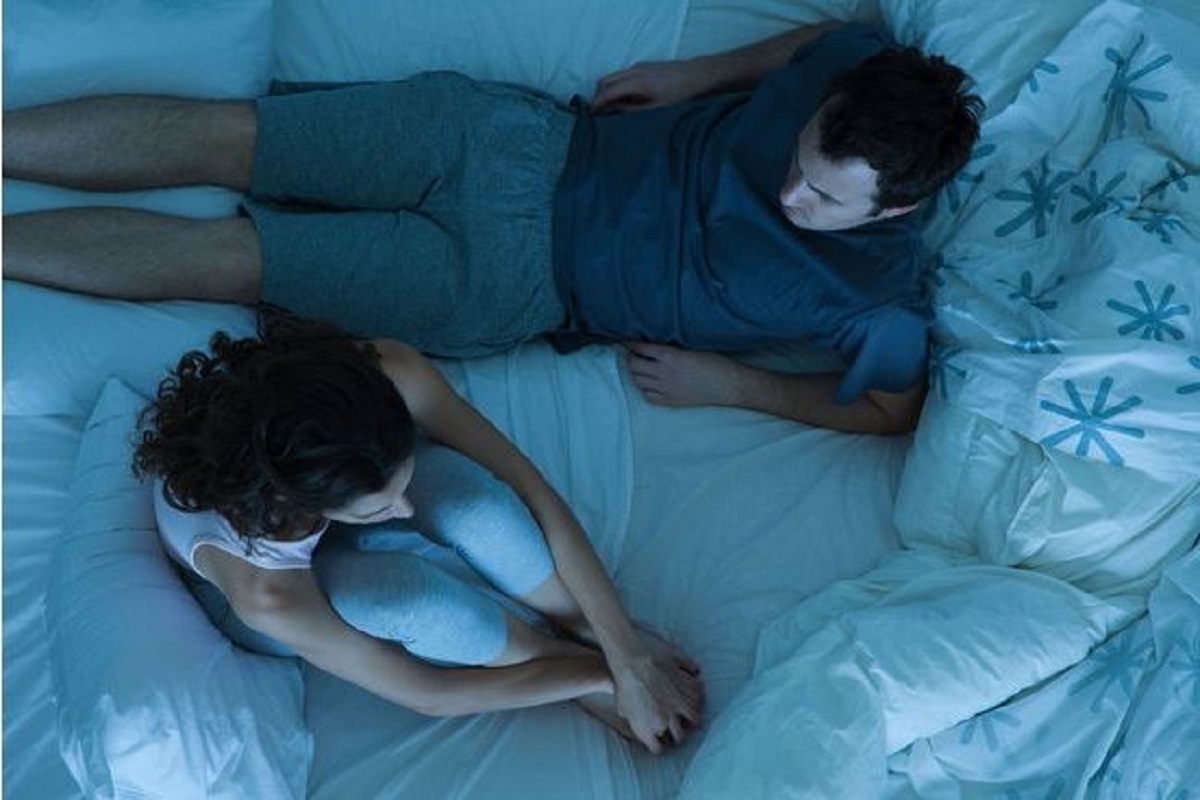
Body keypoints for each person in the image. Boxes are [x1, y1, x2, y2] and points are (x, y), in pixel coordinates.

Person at [4, 22, 982, 435]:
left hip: (512, 279)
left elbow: (889, 411)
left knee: (227, 260)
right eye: (799, 159)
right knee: (229, 138)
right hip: (516, 142)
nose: (790, 192)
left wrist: (736, 385)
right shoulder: (862, 68)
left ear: (894, 208)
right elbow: (825, 37)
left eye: (823, 199)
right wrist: (696, 76)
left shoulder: (876, 301)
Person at [133, 310, 703, 754]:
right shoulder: (265, 590)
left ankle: (575, 622)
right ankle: (551, 652)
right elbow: (427, 693)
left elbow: (534, 495)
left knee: (475, 504)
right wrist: (601, 678)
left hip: (326, 477)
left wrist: (625, 647)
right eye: (380, 508)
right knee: (409, 598)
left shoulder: (385, 372)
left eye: (402, 483)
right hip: (268, 570)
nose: (404, 511)